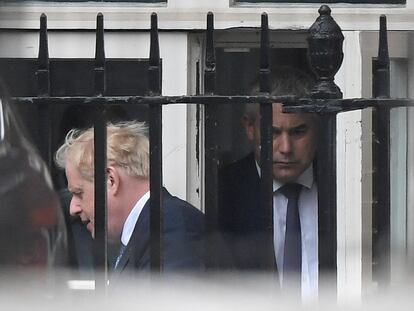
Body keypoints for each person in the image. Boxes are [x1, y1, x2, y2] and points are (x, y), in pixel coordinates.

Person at [55, 121, 204, 279]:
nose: (73, 208)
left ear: (110, 180)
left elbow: (175, 302)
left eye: (79, 193)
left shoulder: (169, 226)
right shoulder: (153, 227)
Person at [218, 67, 319, 299]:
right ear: (249, 128)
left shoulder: (345, 182)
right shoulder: (221, 193)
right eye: (272, 132)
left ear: (319, 127)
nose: (285, 148)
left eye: (298, 131)